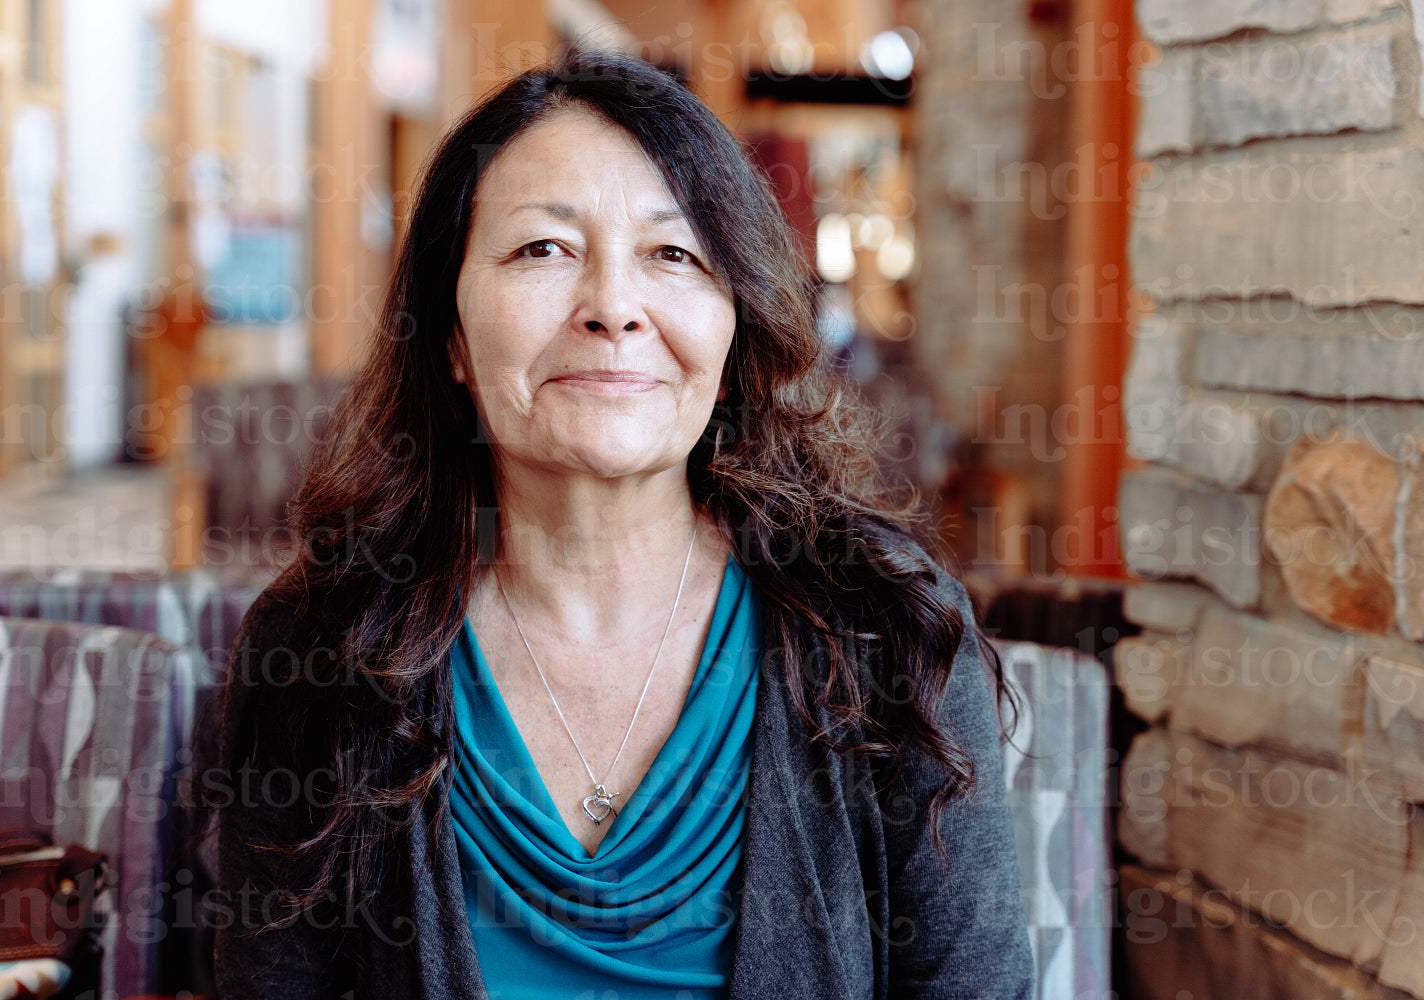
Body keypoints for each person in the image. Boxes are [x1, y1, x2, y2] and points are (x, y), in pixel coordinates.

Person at [210, 47, 1034, 1000]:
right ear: (451, 339)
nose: (612, 307)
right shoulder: (320, 649)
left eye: (673, 254)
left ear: (736, 327)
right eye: (543, 249)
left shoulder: (884, 629)